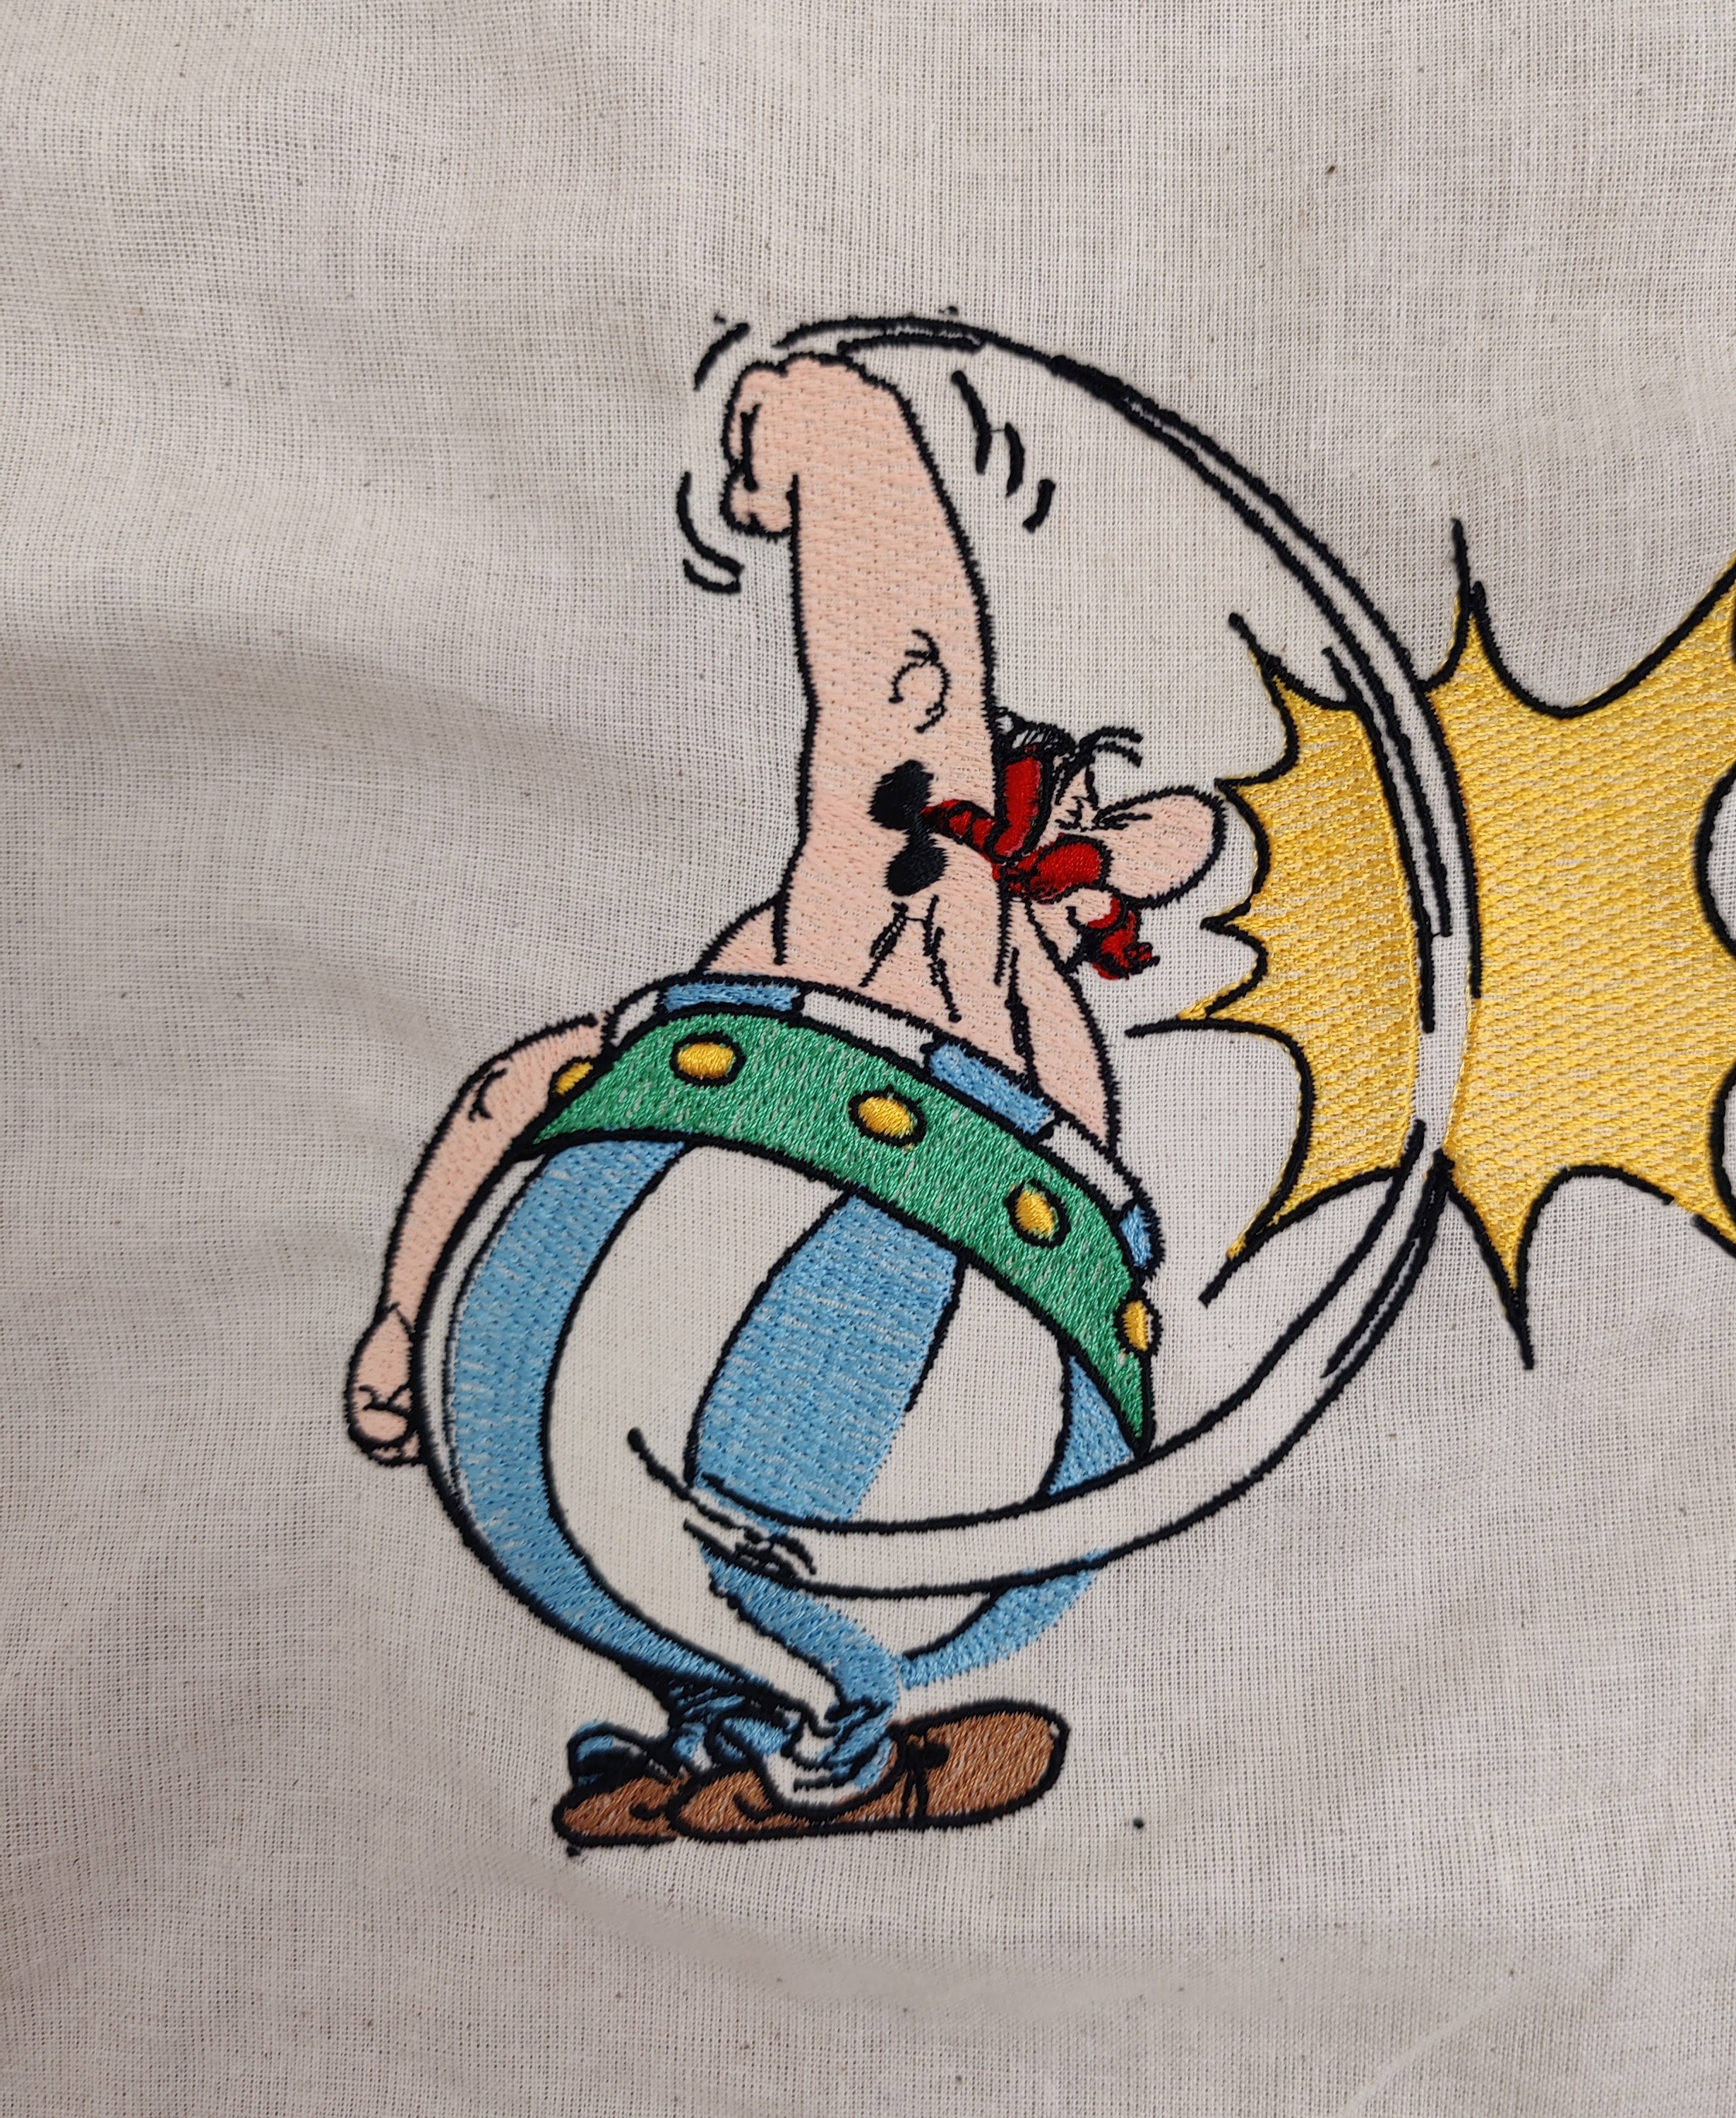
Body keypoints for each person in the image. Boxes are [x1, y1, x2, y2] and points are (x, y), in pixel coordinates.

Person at [345, 352, 1219, 1843]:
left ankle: (724, 1733)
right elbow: (913, 711)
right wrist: (844, 443)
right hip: (810, 1272)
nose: (1095, 895)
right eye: (1070, 843)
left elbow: (511, 1096)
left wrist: (406, 1315)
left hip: (575, 1396)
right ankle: (824, 1741)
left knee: (701, 1519)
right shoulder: (913, 928)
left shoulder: (972, 961)